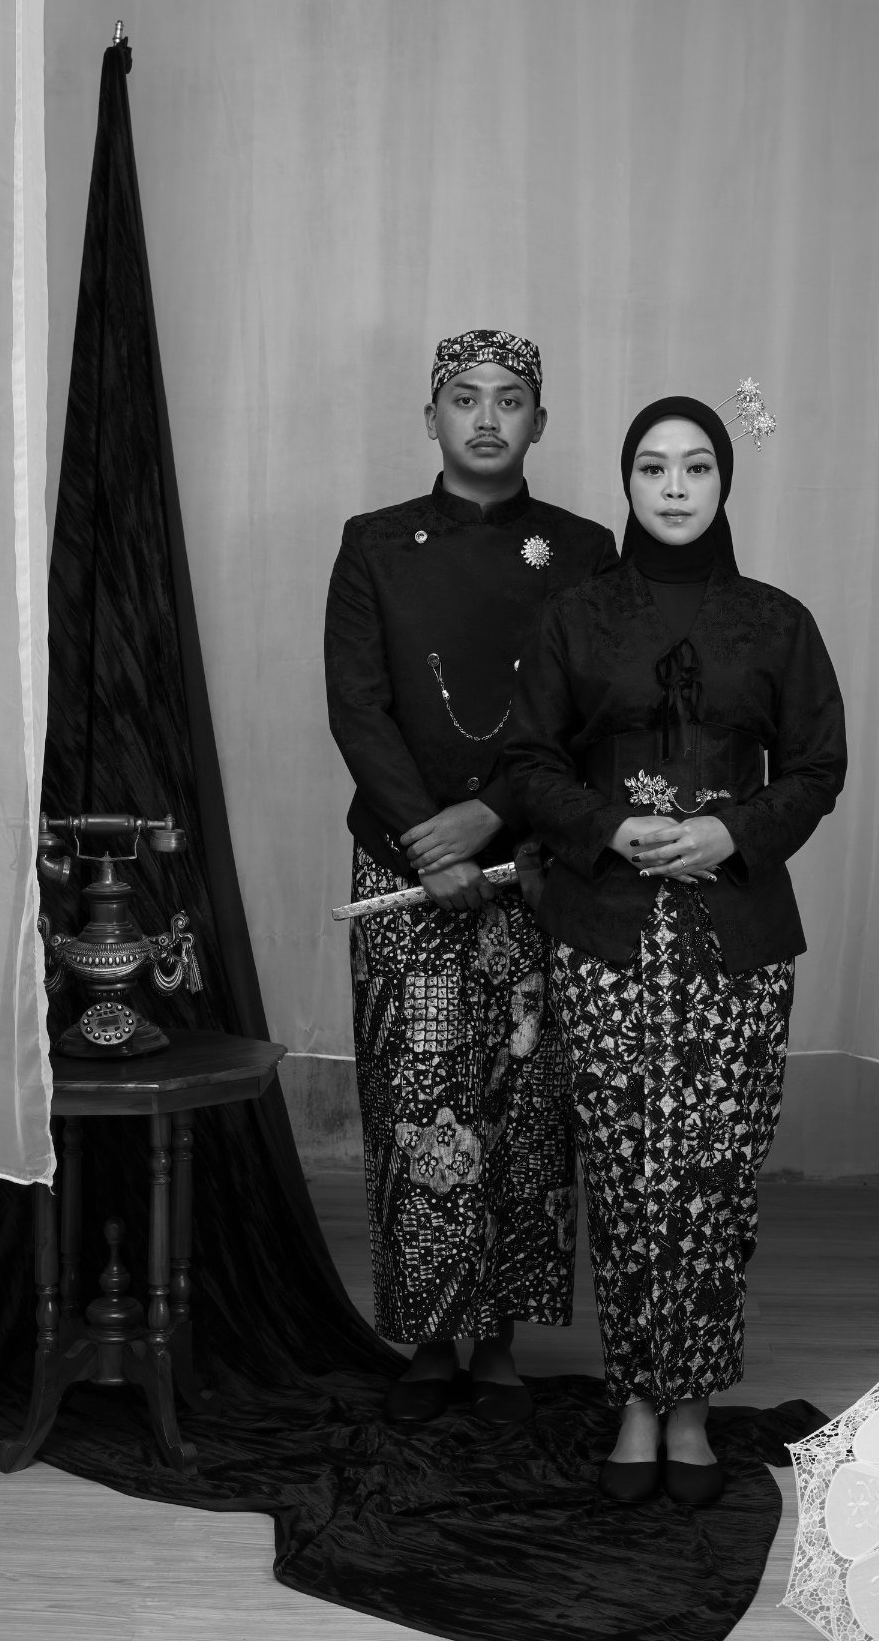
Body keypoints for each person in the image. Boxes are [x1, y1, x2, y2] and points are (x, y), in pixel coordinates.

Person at [503, 394, 846, 1502]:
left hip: (734, 938)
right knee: (625, 1171)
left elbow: (818, 767)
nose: (676, 487)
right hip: (606, 931)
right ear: (628, 482)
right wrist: (610, 828)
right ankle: (636, 1401)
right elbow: (528, 764)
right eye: (653, 468)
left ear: (725, 480)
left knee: (713, 1173)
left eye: (697, 466)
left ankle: (690, 1404)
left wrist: (732, 832)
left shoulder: (777, 621)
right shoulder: (576, 616)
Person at [324, 330, 619, 1425]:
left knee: (523, 1101)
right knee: (415, 1098)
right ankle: (429, 1333)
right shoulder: (374, 545)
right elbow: (357, 704)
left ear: (540, 422)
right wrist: (427, 837)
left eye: (510, 399)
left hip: (533, 863)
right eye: (464, 397)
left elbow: (591, 711)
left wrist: (492, 817)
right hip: (402, 862)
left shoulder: (584, 552)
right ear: (432, 417)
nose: (487, 417)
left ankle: (499, 1338)